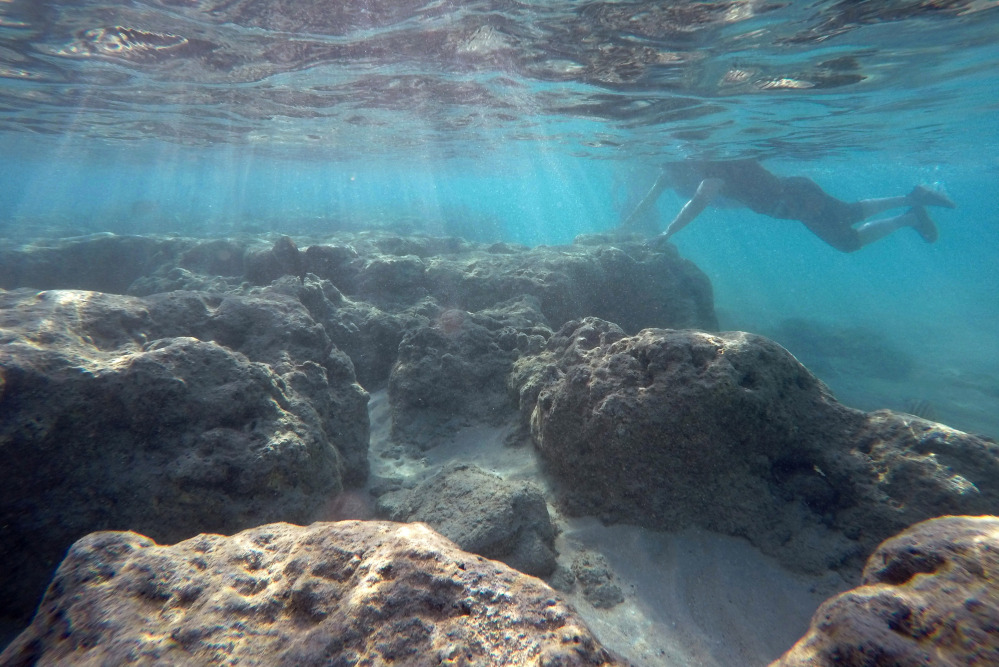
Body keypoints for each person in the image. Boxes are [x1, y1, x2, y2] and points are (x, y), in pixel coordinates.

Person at [621, 159, 955, 252]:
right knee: (847, 227)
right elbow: (649, 198)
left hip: (794, 198)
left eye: (672, 165)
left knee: (848, 235)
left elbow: (697, 204)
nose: (666, 173)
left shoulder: (713, 168)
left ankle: (911, 209)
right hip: (787, 203)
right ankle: (911, 206)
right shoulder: (670, 174)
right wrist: (624, 227)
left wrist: (665, 233)